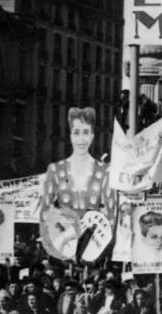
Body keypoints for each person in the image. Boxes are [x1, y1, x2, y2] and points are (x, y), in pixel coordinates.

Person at [39, 107, 114, 261]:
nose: (81, 139)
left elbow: (110, 216)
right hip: (63, 248)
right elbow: (45, 213)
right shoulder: (55, 170)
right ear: (70, 136)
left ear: (92, 136)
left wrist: (96, 251)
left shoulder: (105, 171)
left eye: (86, 132)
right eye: (76, 132)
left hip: (93, 249)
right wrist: (59, 244)